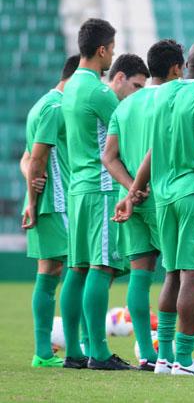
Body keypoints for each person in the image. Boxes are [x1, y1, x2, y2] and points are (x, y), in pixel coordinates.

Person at [104, 39, 194, 374]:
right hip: (192, 194)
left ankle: (165, 358)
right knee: (192, 278)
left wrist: (131, 193)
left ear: (186, 67)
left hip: (163, 194)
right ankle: (186, 358)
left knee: (171, 274)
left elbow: (151, 153)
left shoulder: (160, 95)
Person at [61, 18, 133, 370]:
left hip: (76, 189)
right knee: (101, 267)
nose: (114, 55)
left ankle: (74, 350)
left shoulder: (70, 87)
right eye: (113, 48)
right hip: (102, 188)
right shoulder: (99, 92)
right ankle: (100, 353)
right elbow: (128, 130)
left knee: (75, 269)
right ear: (102, 50)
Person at [20, 54, 79, 368]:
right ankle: (66, 348)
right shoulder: (56, 107)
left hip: (46, 201)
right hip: (57, 202)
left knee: (49, 273)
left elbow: (26, 159)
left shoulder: (40, 105)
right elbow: (37, 160)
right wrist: (32, 198)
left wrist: (30, 197)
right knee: (76, 270)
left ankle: (44, 351)